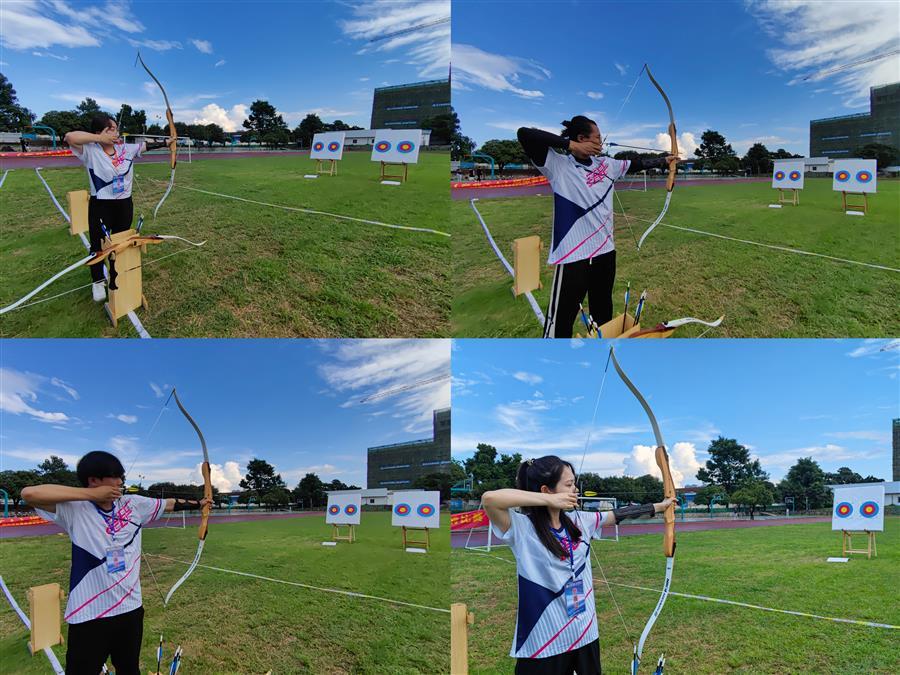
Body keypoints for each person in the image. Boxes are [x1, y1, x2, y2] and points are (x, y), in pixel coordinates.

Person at [482, 455, 675, 675]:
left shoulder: (580, 521)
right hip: (543, 641)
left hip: (585, 633)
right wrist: (548, 501)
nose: (575, 489)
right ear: (546, 490)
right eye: (568, 484)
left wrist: (661, 506)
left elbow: (618, 514)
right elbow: (490, 499)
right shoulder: (522, 528)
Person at [21, 451, 210, 675]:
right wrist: (90, 495)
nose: (121, 481)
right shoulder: (74, 509)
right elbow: (29, 493)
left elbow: (169, 504)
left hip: (130, 610)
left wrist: (201, 503)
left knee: (129, 669)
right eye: (115, 476)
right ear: (94, 480)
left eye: (121, 476)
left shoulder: (133, 504)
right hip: (89, 614)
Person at [517, 117, 678, 338]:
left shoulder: (607, 164)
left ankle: (601, 350)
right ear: (581, 138)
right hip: (573, 256)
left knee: (603, 312)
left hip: (605, 252)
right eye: (597, 138)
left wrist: (665, 160)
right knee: (562, 317)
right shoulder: (557, 164)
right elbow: (524, 134)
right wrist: (571, 146)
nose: (601, 142)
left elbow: (636, 164)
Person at [63, 115, 173, 302]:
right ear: (99, 132)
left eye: (116, 129)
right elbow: (69, 137)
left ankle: (119, 275)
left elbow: (145, 146)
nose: (116, 132)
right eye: (111, 129)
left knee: (121, 243)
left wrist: (167, 142)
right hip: (101, 204)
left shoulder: (125, 149)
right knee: (98, 244)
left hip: (124, 204)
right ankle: (98, 281)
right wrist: (99, 139)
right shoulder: (90, 150)